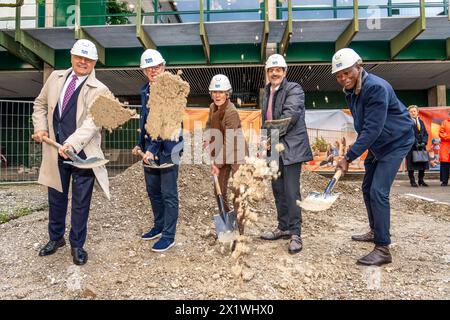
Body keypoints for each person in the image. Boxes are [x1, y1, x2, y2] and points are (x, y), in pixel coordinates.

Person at [332, 48, 414, 266]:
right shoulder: (350, 91)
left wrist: (348, 157)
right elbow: (364, 126)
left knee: (379, 191)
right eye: (339, 75)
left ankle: (383, 248)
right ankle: (375, 230)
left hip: (396, 141)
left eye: (347, 73)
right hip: (378, 143)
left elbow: (372, 129)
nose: (343, 78)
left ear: (358, 67)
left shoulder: (375, 88)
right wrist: (352, 152)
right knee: (367, 188)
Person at [32, 39, 110, 265]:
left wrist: (72, 144)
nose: (83, 62)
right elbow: (39, 105)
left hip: (83, 155)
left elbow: (93, 122)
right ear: (72, 57)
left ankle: (77, 244)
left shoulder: (101, 90)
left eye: (88, 59)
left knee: (80, 202)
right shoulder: (55, 78)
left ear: (94, 62)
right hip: (54, 150)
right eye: (79, 57)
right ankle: (56, 239)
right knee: (56, 197)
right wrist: (41, 127)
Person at [259, 54, 313, 254]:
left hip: (291, 147)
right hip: (273, 147)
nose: (275, 73)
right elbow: (266, 119)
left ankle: (296, 234)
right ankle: (283, 227)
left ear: (285, 71)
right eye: (271, 70)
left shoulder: (294, 89)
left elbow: (290, 116)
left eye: (278, 69)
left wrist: (269, 138)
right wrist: (264, 140)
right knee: (278, 190)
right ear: (267, 73)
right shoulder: (266, 91)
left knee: (291, 192)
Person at [132, 49, 183, 252]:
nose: (154, 70)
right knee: (153, 191)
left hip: (169, 149)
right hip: (149, 151)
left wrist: (152, 149)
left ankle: (169, 236)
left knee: (168, 193)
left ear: (164, 67)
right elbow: (146, 122)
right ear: (144, 70)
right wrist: (140, 144)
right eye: (149, 68)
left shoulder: (171, 90)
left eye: (157, 66)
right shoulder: (145, 90)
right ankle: (159, 226)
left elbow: (163, 122)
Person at [203, 74, 248, 234]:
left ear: (227, 93)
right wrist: (207, 138)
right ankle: (228, 224)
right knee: (218, 190)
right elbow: (209, 125)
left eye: (221, 92)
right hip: (222, 148)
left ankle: (240, 231)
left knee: (238, 192)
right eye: (215, 92)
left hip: (236, 151)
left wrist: (217, 163)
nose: (217, 95)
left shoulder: (231, 112)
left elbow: (229, 143)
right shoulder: (212, 107)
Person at [405, 105, 429, 187]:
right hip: (411, 146)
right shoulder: (407, 122)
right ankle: (412, 181)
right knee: (411, 165)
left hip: (421, 146)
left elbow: (425, 133)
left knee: (422, 164)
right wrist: (415, 142)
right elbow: (408, 134)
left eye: (414, 111)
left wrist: (424, 142)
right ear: (408, 113)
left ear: (417, 112)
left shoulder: (421, 122)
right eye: (411, 111)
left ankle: (421, 180)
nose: (413, 113)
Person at [439, 109, 450, 186]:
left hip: (446, 145)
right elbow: (440, 133)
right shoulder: (445, 122)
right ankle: (444, 181)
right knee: (445, 164)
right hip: (446, 147)